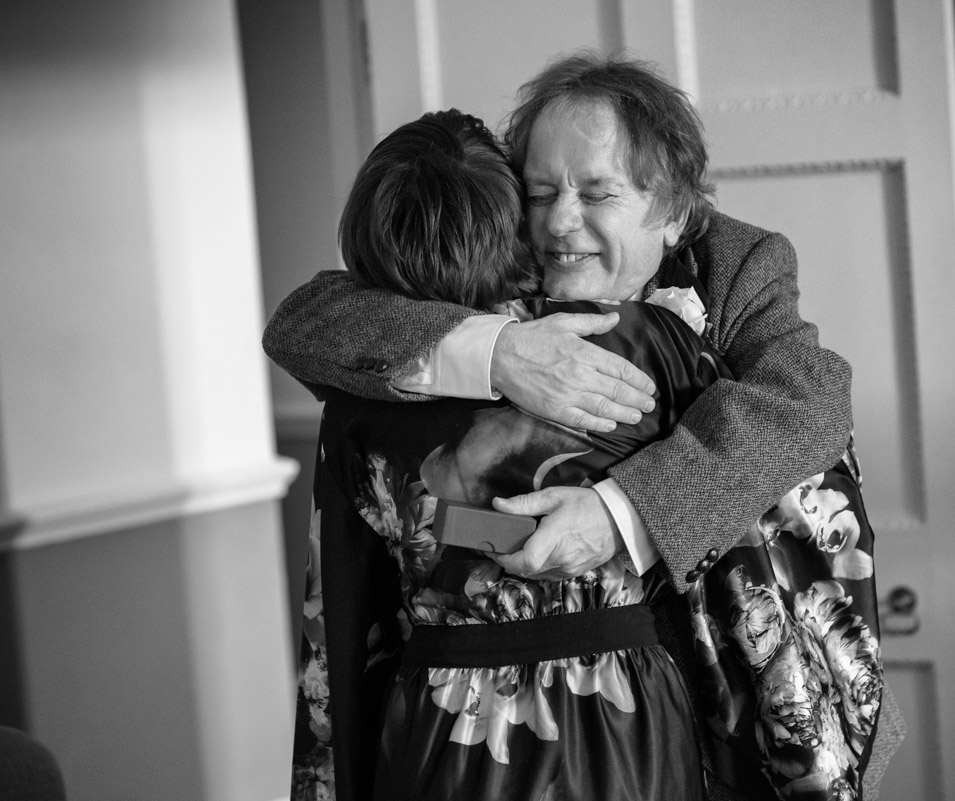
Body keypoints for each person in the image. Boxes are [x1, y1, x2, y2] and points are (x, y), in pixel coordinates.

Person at [270, 54, 899, 801]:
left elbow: (813, 400)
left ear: (673, 210)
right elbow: (304, 324)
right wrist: (498, 352)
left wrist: (621, 512)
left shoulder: (735, 266)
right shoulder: (496, 254)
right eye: (540, 192)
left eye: (598, 193)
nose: (561, 223)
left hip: (706, 691)